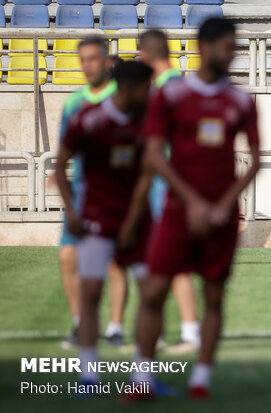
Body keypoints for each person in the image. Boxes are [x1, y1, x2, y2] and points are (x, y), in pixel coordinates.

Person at [128, 17, 260, 401]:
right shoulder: (169, 96)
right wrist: (193, 202)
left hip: (221, 215)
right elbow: (154, 153)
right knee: (153, 290)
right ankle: (142, 381)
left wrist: (220, 205)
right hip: (176, 211)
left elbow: (254, 160)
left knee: (215, 295)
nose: (233, 54)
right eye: (228, 47)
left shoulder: (240, 99)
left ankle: (201, 379)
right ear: (205, 47)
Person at [55, 61, 154, 387]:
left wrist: (132, 217)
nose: (149, 94)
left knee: (151, 294)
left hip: (136, 222)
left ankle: (143, 378)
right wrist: (72, 212)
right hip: (96, 221)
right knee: (91, 293)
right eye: (145, 88)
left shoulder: (147, 122)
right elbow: (59, 168)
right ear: (127, 88)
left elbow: (146, 174)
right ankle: (88, 375)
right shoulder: (88, 118)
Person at [56, 37, 129, 347]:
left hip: (117, 195)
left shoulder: (124, 100)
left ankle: (114, 328)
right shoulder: (74, 104)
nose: (87, 66)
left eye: (93, 59)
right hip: (82, 195)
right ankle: (79, 322)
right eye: (82, 60)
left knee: (115, 263)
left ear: (105, 62)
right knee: (68, 256)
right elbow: (64, 154)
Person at [138, 29, 201, 349]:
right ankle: (171, 333)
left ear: (144, 58)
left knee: (164, 261)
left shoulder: (162, 93)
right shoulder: (186, 86)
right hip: (180, 184)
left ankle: (183, 332)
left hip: (166, 187)